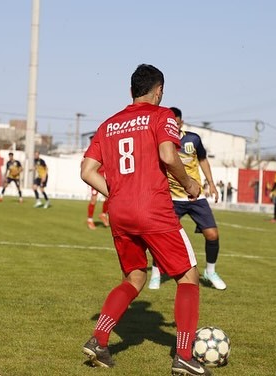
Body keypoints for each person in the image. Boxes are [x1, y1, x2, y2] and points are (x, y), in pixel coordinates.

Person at [80, 64, 210, 375]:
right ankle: (183, 355)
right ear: (159, 90)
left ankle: (99, 339)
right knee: (188, 277)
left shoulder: (109, 124)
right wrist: (190, 183)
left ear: (130, 91)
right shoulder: (162, 115)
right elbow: (167, 155)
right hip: (153, 208)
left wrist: (118, 193)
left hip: (120, 211)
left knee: (135, 278)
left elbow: (86, 171)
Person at [148, 106, 226, 291]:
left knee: (212, 234)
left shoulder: (193, 139)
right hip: (171, 199)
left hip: (195, 197)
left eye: (175, 123)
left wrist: (211, 183)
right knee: (162, 237)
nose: (172, 127)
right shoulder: (159, 140)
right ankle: (156, 273)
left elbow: (203, 160)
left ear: (180, 122)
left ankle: (210, 272)